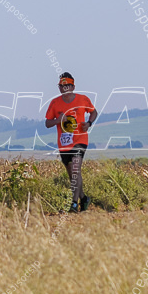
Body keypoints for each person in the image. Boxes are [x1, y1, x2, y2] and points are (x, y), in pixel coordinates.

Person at [45, 72, 98, 213]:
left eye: (66, 85)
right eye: (61, 86)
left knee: (75, 169)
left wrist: (89, 123)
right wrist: (58, 120)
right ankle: (84, 198)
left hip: (80, 139)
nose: (63, 88)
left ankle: (74, 204)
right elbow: (47, 123)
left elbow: (94, 112)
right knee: (72, 174)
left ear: (73, 86)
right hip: (64, 143)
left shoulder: (83, 99)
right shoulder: (55, 103)